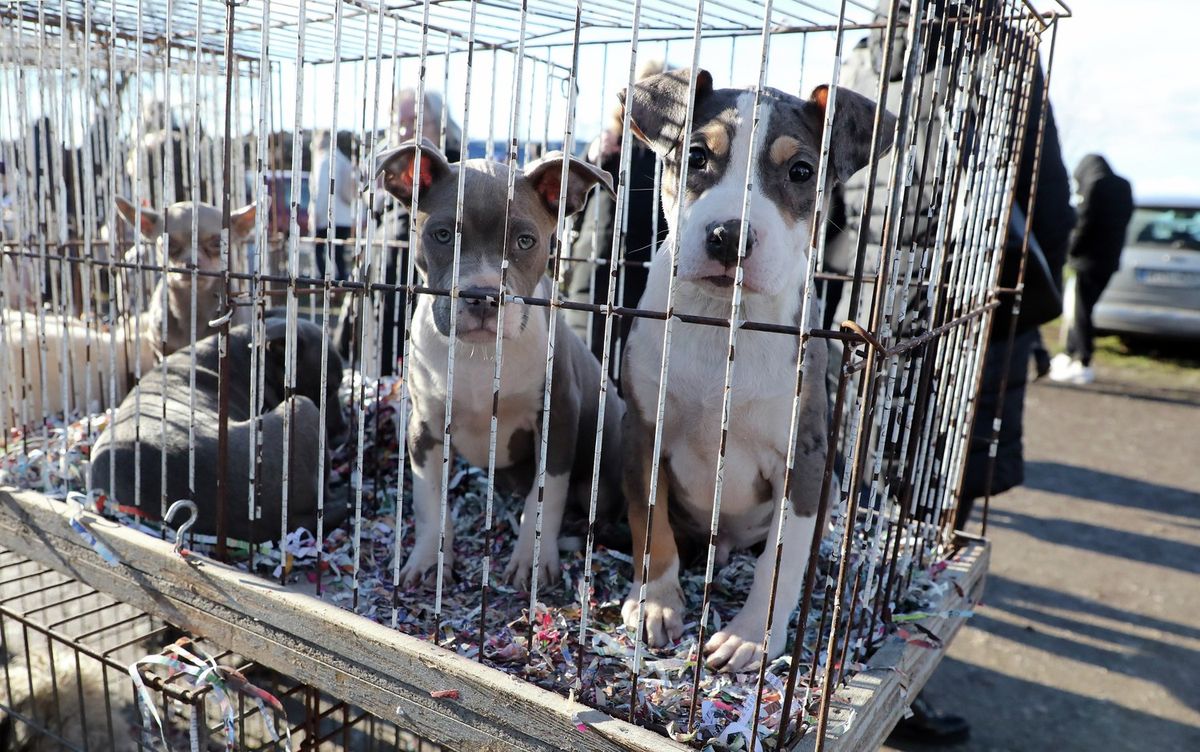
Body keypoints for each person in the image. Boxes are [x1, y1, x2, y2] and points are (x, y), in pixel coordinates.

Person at [828, 2, 1075, 744]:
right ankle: (895, 686)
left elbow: (834, 191)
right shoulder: (997, 44)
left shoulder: (859, 53)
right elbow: (1047, 202)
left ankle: (835, 662)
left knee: (852, 500)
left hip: (865, 308)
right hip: (965, 314)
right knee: (936, 519)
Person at [564, 59, 670, 374]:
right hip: (594, 267)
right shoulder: (610, 143)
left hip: (645, 270)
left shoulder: (673, 153)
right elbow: (571, 198)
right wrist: (590, 157)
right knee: (582, 359)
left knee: (634, 364)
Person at [1049, 154, 1134, 385]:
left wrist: (1071, 250)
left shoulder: (1095, 185)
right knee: (1084, 309)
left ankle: (1082, 360)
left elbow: (1084, 222)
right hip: (1108, 262)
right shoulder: (1124, 185)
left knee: (1080, 312)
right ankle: (1070, 353)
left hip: (1086, 261)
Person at [308, 130, 357, 281]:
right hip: (344, 218)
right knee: (338, 254)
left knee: (319, 250)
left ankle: (324, 283)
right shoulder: (344, 160)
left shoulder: (324, 162)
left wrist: (315, 217)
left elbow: (322, 193)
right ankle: (342, 283)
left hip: (327, 218)